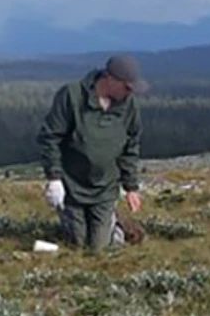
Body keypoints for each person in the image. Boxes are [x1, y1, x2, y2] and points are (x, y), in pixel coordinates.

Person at [37, 54, 146, 251]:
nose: (130, 93)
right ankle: (75, 223)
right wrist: (54, 178)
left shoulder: (128, 106)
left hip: (105, 188)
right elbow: (50, 137)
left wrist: (131, 187)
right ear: (110, 79)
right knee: (77, 243)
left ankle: (116, 226)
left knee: (98, 248)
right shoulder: (71, 96)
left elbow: (130, 147)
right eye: (127, 87)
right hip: (72, 186)